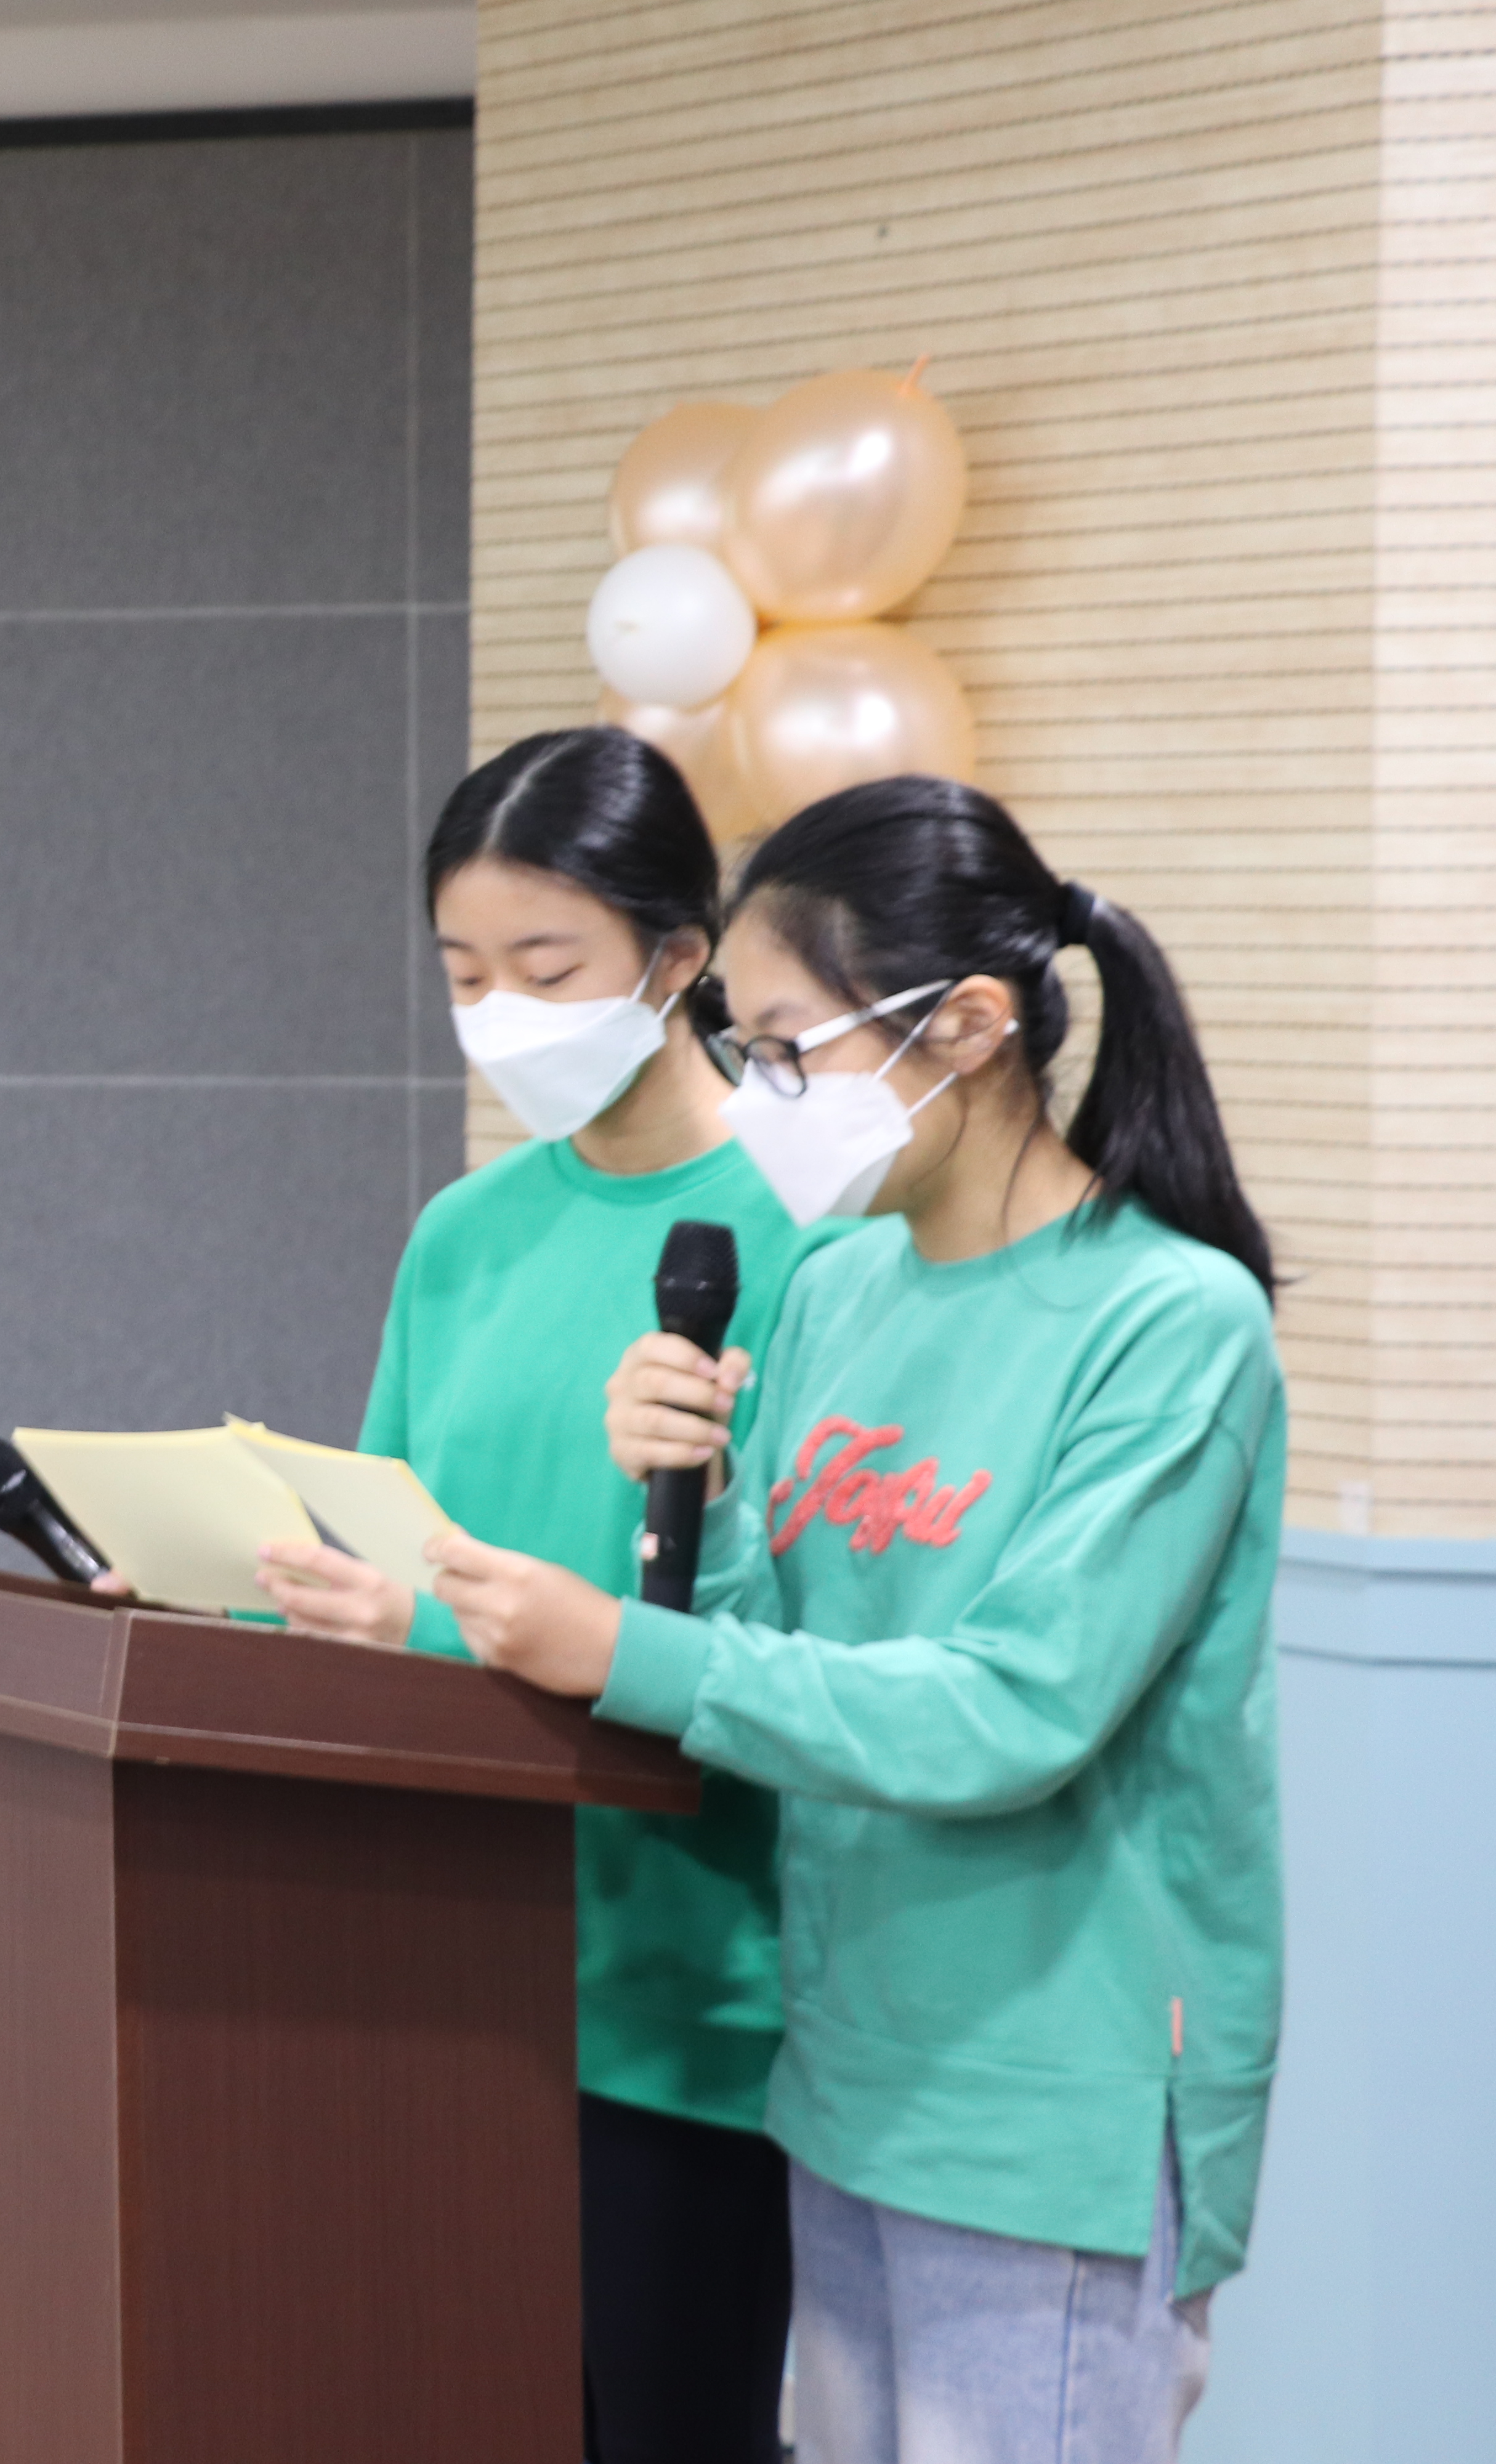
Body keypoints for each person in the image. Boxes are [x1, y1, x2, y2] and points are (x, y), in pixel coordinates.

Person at [425, 774, 1284, 2464]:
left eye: (788, 1050)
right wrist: (689, 1506)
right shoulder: (838, 1285)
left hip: (1045, 2105)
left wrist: (622, 1649)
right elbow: (775, 1633)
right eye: (744, 1051)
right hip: (844, 2083)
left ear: (967, 1028)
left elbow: (1014, 1713)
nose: (761, 1098)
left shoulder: (1171, 1321)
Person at [255, 726, 835, 2464]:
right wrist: (208, 1593)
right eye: (463, 973)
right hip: (448, 1965)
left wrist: (418, 1629)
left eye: (547, 966)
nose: (501, 1011)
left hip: (690, 1991)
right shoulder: (465, 1232)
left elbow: (796, 1634)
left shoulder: (817, 1234)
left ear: (678, 957)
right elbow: (378, 1544)